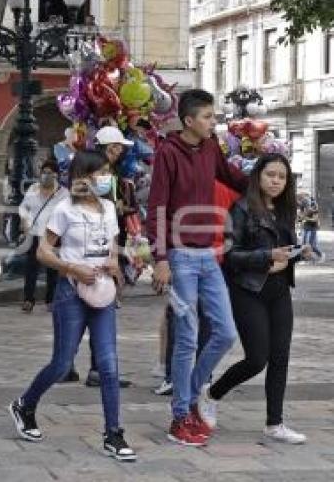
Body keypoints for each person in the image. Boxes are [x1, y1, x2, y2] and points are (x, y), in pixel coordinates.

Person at [8, 150, 136, 462]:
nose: (106, 178)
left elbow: (112, 245)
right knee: (63, 363)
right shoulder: (65, 209)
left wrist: (113, 263)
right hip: (71, 293)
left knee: (108, 363)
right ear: (83, 177)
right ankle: (25, 404)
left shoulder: (107, 208)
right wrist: (71, 269)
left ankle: (113, 433)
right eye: (99, 173)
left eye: (108, 172)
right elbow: (43, 252)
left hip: (102, 294)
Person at [146, 89, 247, 446]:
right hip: (180, 257)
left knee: (225, 332)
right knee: (187, 338)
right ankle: (179, 418)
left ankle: (190, 397)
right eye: (207, 117)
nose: (213, 122)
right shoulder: (167, 153)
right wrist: (160, 258)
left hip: (208, 255)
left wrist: (268, 179)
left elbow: (233, 178)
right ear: (189, 120)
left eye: (213, 116)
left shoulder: (210, 148)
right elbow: (156, 207)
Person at [205, 154, 310, 445]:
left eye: (281, 177)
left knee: (280, 358)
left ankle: (274, 423)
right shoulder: (240, 208)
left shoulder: (286, 210)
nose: (276, 181)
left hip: (279, 291)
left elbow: (284, 251)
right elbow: (230, 256)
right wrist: (267, 257)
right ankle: (212, 394)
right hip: (248, 291)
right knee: (256, 359)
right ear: (258, 176)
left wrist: (300, 254)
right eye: (270, 175)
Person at [84, 126, 136, 389]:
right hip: (95, 250)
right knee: (95, 308)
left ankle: (97, 366)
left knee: (100, 308)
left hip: (111, 245)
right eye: (115, 146)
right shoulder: (94, 173)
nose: (119, 151)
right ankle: (91, 367)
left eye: (120, 147)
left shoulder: (113, 174)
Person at [19, 158, 69, 313]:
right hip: (34, 234)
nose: (46, 175)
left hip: (53, 235)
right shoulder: (33, 188)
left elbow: (66, 213)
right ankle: (28, 299)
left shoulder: (63, 193)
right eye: (44, 172)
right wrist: (25, 221)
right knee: (31, 268)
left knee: (52, 269)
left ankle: (51, 300)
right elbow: (23, 207)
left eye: (50, 173)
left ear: (57, 175)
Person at [300, 195, 323, 260]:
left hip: (313, 228)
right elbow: (301, 217)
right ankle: (304, 258)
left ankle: (320, 255)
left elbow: (315, 219)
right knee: (303, 244)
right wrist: (301, 219)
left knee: (312, 245)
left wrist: (306, 218)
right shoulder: (303, 206)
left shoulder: (314, 206)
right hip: (306, 227)